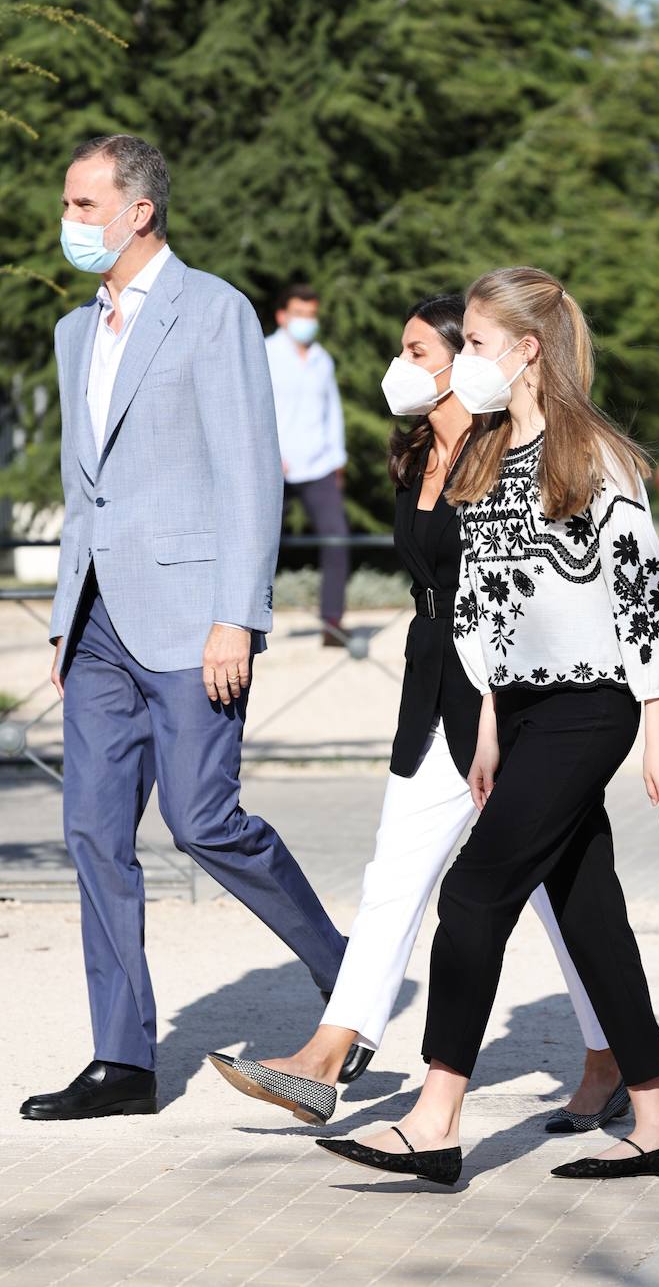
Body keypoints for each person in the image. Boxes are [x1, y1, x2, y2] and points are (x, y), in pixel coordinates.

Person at [207, 294, 627, 1130]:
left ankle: (611, 1056)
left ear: (457, 360)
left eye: (416, 350)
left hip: (504, 694)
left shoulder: (507, 448)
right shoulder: (411, 457)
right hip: (428, 684)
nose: (400, 367)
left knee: (558, 889)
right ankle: (326, 1058)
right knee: (395, 872)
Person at [317, 266, 659, 1186]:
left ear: (527, 350)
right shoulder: (486, 461)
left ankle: (435, 1119)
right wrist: (486, 719)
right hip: (516, 710)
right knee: (587, 909)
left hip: (590, 707)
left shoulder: (593, 455)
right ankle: (658, 1125)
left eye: (477, 344)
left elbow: (645, 596)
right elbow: (484, 607)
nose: (466, 362)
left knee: (476, 892)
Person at [20, 135, 347, 1123]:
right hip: (97, 626)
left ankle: (353, 981)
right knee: (91, 831)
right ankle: (122, 1061)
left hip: (192, 615)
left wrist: (236, 620)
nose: (69, 223)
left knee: (202, 821)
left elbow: (250, 473)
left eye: (83, 206)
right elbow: (87, 492)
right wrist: (63, 617)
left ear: (138, 212)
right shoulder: (79, 332)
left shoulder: (214, 312)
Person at [266, 284, 349, 644]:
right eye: (300, 314)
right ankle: (247, 621)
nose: (307, 321)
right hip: (274, 467)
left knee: (337, 540)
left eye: (312, 314)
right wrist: (267, 453)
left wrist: (338, 460)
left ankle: (332, 623)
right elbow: (254, 409)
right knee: (259, 544)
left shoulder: (322, 359)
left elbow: (332, 412)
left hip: (319, 467)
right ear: (282, 316)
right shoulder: (264, 353)